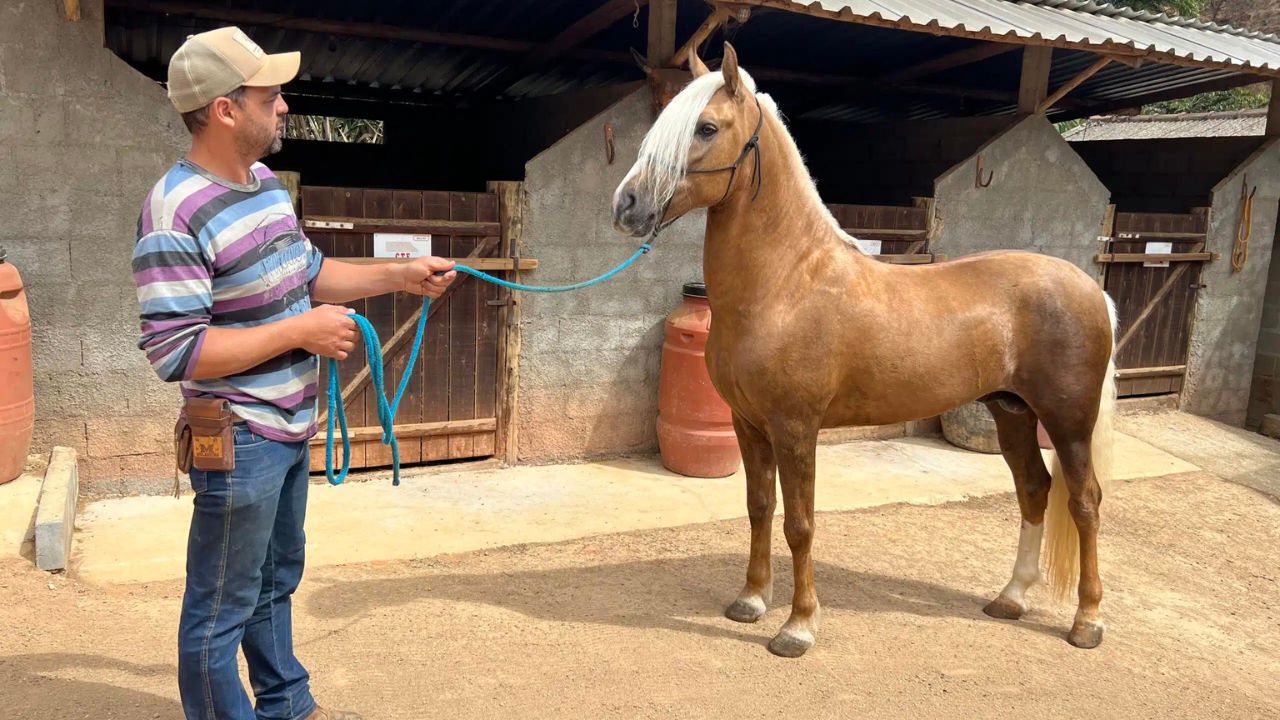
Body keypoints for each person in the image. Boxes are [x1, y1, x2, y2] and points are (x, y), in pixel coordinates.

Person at [130, 26, 457, 720]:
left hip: (288, 428)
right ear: (224, 109)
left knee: (276, 580)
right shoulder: (173, 212)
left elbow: (311, 274)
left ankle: (285, 702)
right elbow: (175, 350)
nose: (283, 106)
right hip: (240, 434)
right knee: (220, 608)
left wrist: (402, 274)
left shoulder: (266, 189)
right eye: (269, 95)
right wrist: (301, 330)